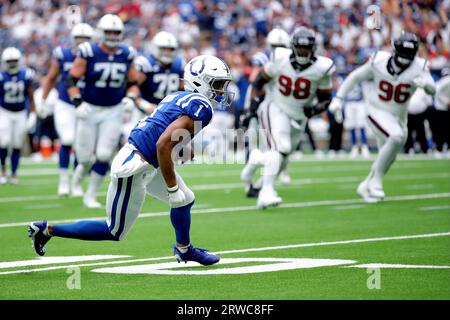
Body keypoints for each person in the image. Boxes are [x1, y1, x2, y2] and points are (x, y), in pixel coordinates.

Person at [28, 54, 233, 266]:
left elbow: (161, 128)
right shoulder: (202, 107)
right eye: (217, 84)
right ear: (200, 82)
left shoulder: (178, 96)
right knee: (115, 230)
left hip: (147, 159)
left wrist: (183, 146)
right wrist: (172, 189)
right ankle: (47, 229)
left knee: (186, 199)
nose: (221, 91)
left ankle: (184, 250)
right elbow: (163, 144)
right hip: (135, 166)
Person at [329, 32, 436, 203]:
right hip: (376, 110)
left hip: (399, 117)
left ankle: (366, 184)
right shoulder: (378, 61)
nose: (405, 59)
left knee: (389, 156)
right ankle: (376, 182)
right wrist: (338, 99)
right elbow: (355, 76)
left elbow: (433, 89)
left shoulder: (419, 67)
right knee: (396, 137)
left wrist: (427, 85)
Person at [241, 26, 335, 208]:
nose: (303, 51)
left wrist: (314, 110)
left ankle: (255, 168)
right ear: (293, 47)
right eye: (300, 47)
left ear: (313, 48)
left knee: (285, 155)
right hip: (275, 106)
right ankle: (266, 192)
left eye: (306, 48)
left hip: (299, 115)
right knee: (279, 147)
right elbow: (259, 82)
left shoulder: (322, 68)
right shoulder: (279, 58)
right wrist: (252, 108)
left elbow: (325, 98)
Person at [67, 14, 140, 208]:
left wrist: (130, 97)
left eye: (116, 32)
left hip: (113, 110)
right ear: (101, 32)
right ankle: (77, 178)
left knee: (104, 154)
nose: (113, 35)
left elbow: (133, 82)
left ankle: (90, 195)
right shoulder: (88, 51)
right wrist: (77, 102)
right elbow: (71, 80)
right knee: (84, 158)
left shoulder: (126, 53)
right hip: (89, 108)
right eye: (109, 31)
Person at [40, 23, 94, 196]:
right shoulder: (62, 55)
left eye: (86, 39)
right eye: (80, 38)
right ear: (73, 39)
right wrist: (43, 100)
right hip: (65, 103)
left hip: (86, 104)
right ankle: (64, 181)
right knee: (67, 139)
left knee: (82, 144)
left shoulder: (94, 56)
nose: (82, 42)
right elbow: (51, 77)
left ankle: (77, 183)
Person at [239, 27, 290, 198]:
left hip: (278, 109)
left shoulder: (289, 61)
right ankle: (250, 181)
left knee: (277, 149)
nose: (278, 48)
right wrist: (249, 110)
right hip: (259, 106)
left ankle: (259, 181)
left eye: (281, 45)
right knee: (259, 147)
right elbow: (255, 82)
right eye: (276, 45)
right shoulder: (264, 59)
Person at [123, 30, 185, 138]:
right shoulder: (146, 63)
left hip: (168, 112)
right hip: (145, 110)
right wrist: (143, 104)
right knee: (138, 139)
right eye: (164, 49)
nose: (167, 52)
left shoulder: (179, 64)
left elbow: (182, 89)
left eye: (170, 49)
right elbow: (133, 86)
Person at [0, 47, 36, 185]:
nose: (12, 64)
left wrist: (33, 113)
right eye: (9, 61)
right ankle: (3, 170)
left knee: (16, 144)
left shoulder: (26, 75)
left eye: (14, 61)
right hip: (4, 111)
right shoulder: (2, 76)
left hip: (20, 112)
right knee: (4, 141)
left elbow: (31, 96)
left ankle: (14, 173)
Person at [432, 67, 450, 158]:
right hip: (441, 109)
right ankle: (440, 149)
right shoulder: (444, 82)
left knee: (443, 130)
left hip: (443, 109)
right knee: (441, 131)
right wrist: (446, 102)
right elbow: (437, 93)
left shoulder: (441, 82)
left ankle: (444, 149)